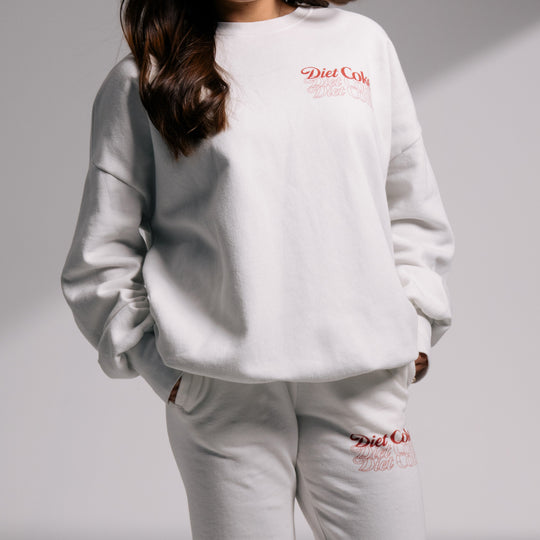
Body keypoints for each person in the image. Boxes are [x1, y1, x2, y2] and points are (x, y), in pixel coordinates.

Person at [60, 0, 455, 538]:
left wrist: (416, 328)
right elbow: (100, 254)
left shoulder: (361, 43)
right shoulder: (145, 79)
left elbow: (411, 205)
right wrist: (168, 374)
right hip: (224, 399)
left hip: (363, 383)